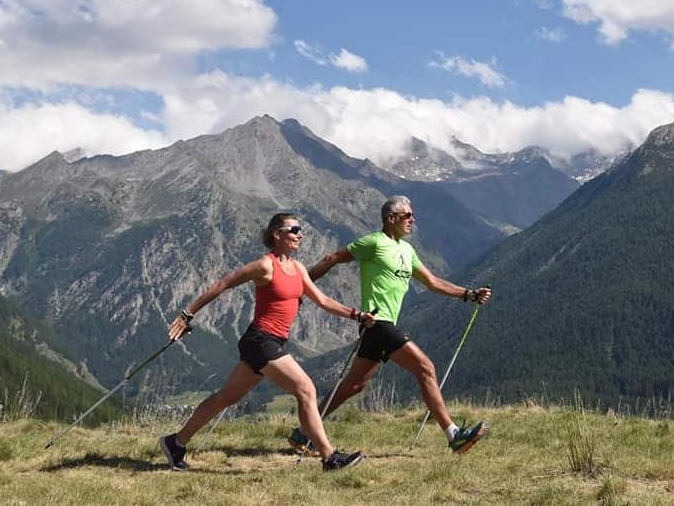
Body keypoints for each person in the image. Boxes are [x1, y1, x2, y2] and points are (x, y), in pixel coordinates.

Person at [159, 212, 374, 472]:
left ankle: (175, 442)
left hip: (271, 342)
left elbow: (323, 301)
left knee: (225, 397)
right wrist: (187, 313)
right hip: (260, 341)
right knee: (306, 389)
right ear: (277, 234)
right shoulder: (265, 266)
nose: (300, 234)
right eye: (294, 230)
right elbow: (223, 283)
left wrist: (356, 315)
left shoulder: (298, 269)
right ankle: (330, 457)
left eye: (300, 230)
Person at [288, 196, 492, 455]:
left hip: (381, 326)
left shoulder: (408, 251)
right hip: (377, 322)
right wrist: (301, 288)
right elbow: (332, 258)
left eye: (412, 215)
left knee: (354, 385)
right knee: (425, 367)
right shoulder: (374, 242)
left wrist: (468, 293)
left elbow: (432, 282)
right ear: (391, 218)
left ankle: (304, 432)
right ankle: (453, 435)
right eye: (407, 216)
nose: (412, 220)